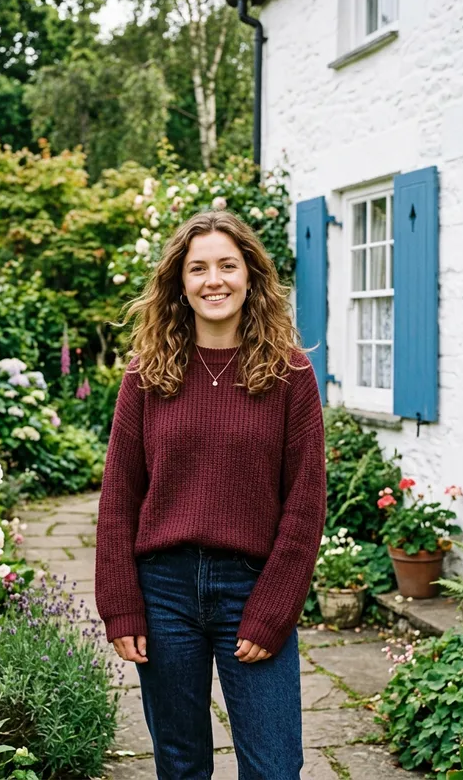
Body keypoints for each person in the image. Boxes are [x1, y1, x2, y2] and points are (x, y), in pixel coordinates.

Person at [95, 210, 327, 779]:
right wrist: (120, 602)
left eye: (228, 264)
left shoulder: (290, 374)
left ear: (251, 275)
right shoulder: (147, 374)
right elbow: (119, 493)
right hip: (165, 592)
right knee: (180, 765)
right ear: (180, 283)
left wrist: (275, 608)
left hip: (252, 586)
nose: (213, 280)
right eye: (198, 268)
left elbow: (305, 503)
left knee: (274, 767)